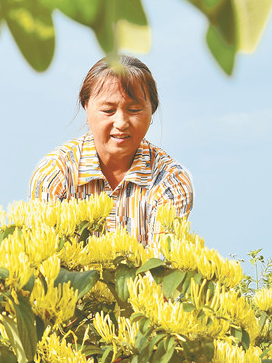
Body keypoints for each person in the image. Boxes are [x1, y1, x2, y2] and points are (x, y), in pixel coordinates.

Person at [29, 55, 193, 247]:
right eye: (108, 110)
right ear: (86, 107)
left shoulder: (170, 180)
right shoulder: (55, 173)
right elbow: (44, 254)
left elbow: (164, 265)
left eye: (134, 110)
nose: (121, 123)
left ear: (152, 111)